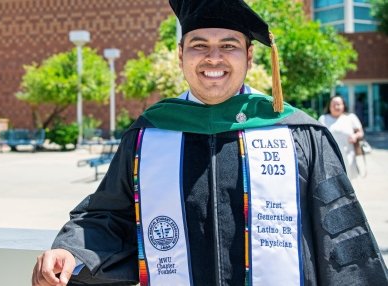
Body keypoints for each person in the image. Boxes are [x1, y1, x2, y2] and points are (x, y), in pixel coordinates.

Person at [32, 0, 388, 285]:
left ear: (249, 56)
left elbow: (344, 245)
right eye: (199, 45)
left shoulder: (299, 135)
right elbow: (108, 216)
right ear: (180, 54)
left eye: (228, 46)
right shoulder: (149, 136)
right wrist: (72, 250)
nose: (213, 58)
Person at [319, 95, 364, 180]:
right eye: (333, 104)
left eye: (339, 104)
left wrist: (355, 136)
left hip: (348, 156)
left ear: (343, 105)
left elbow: (360, 132)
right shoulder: (323, 119)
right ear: (329, 106)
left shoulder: (351, 118)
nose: (336, 106)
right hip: (329, 158)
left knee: (348, 181)